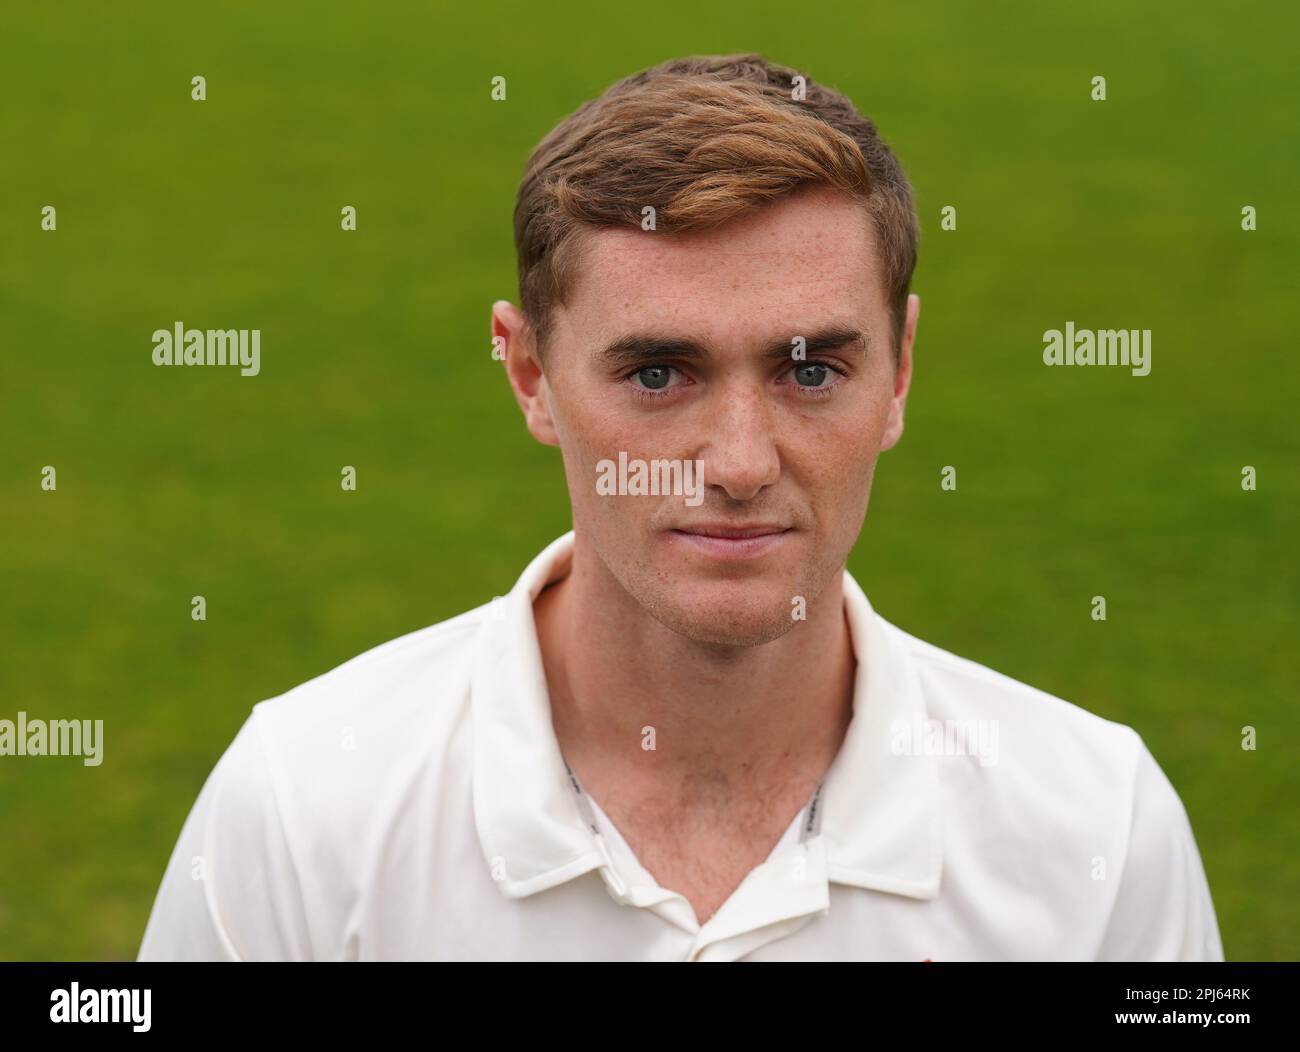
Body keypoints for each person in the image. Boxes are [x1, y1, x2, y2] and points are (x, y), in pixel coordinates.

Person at [138, 53, 1223, 962]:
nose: (741, 462)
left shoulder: (1099, 825)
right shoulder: (299, 804)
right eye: (659, 374)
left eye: (811, 371)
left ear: (898, 375)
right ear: (529, 377)